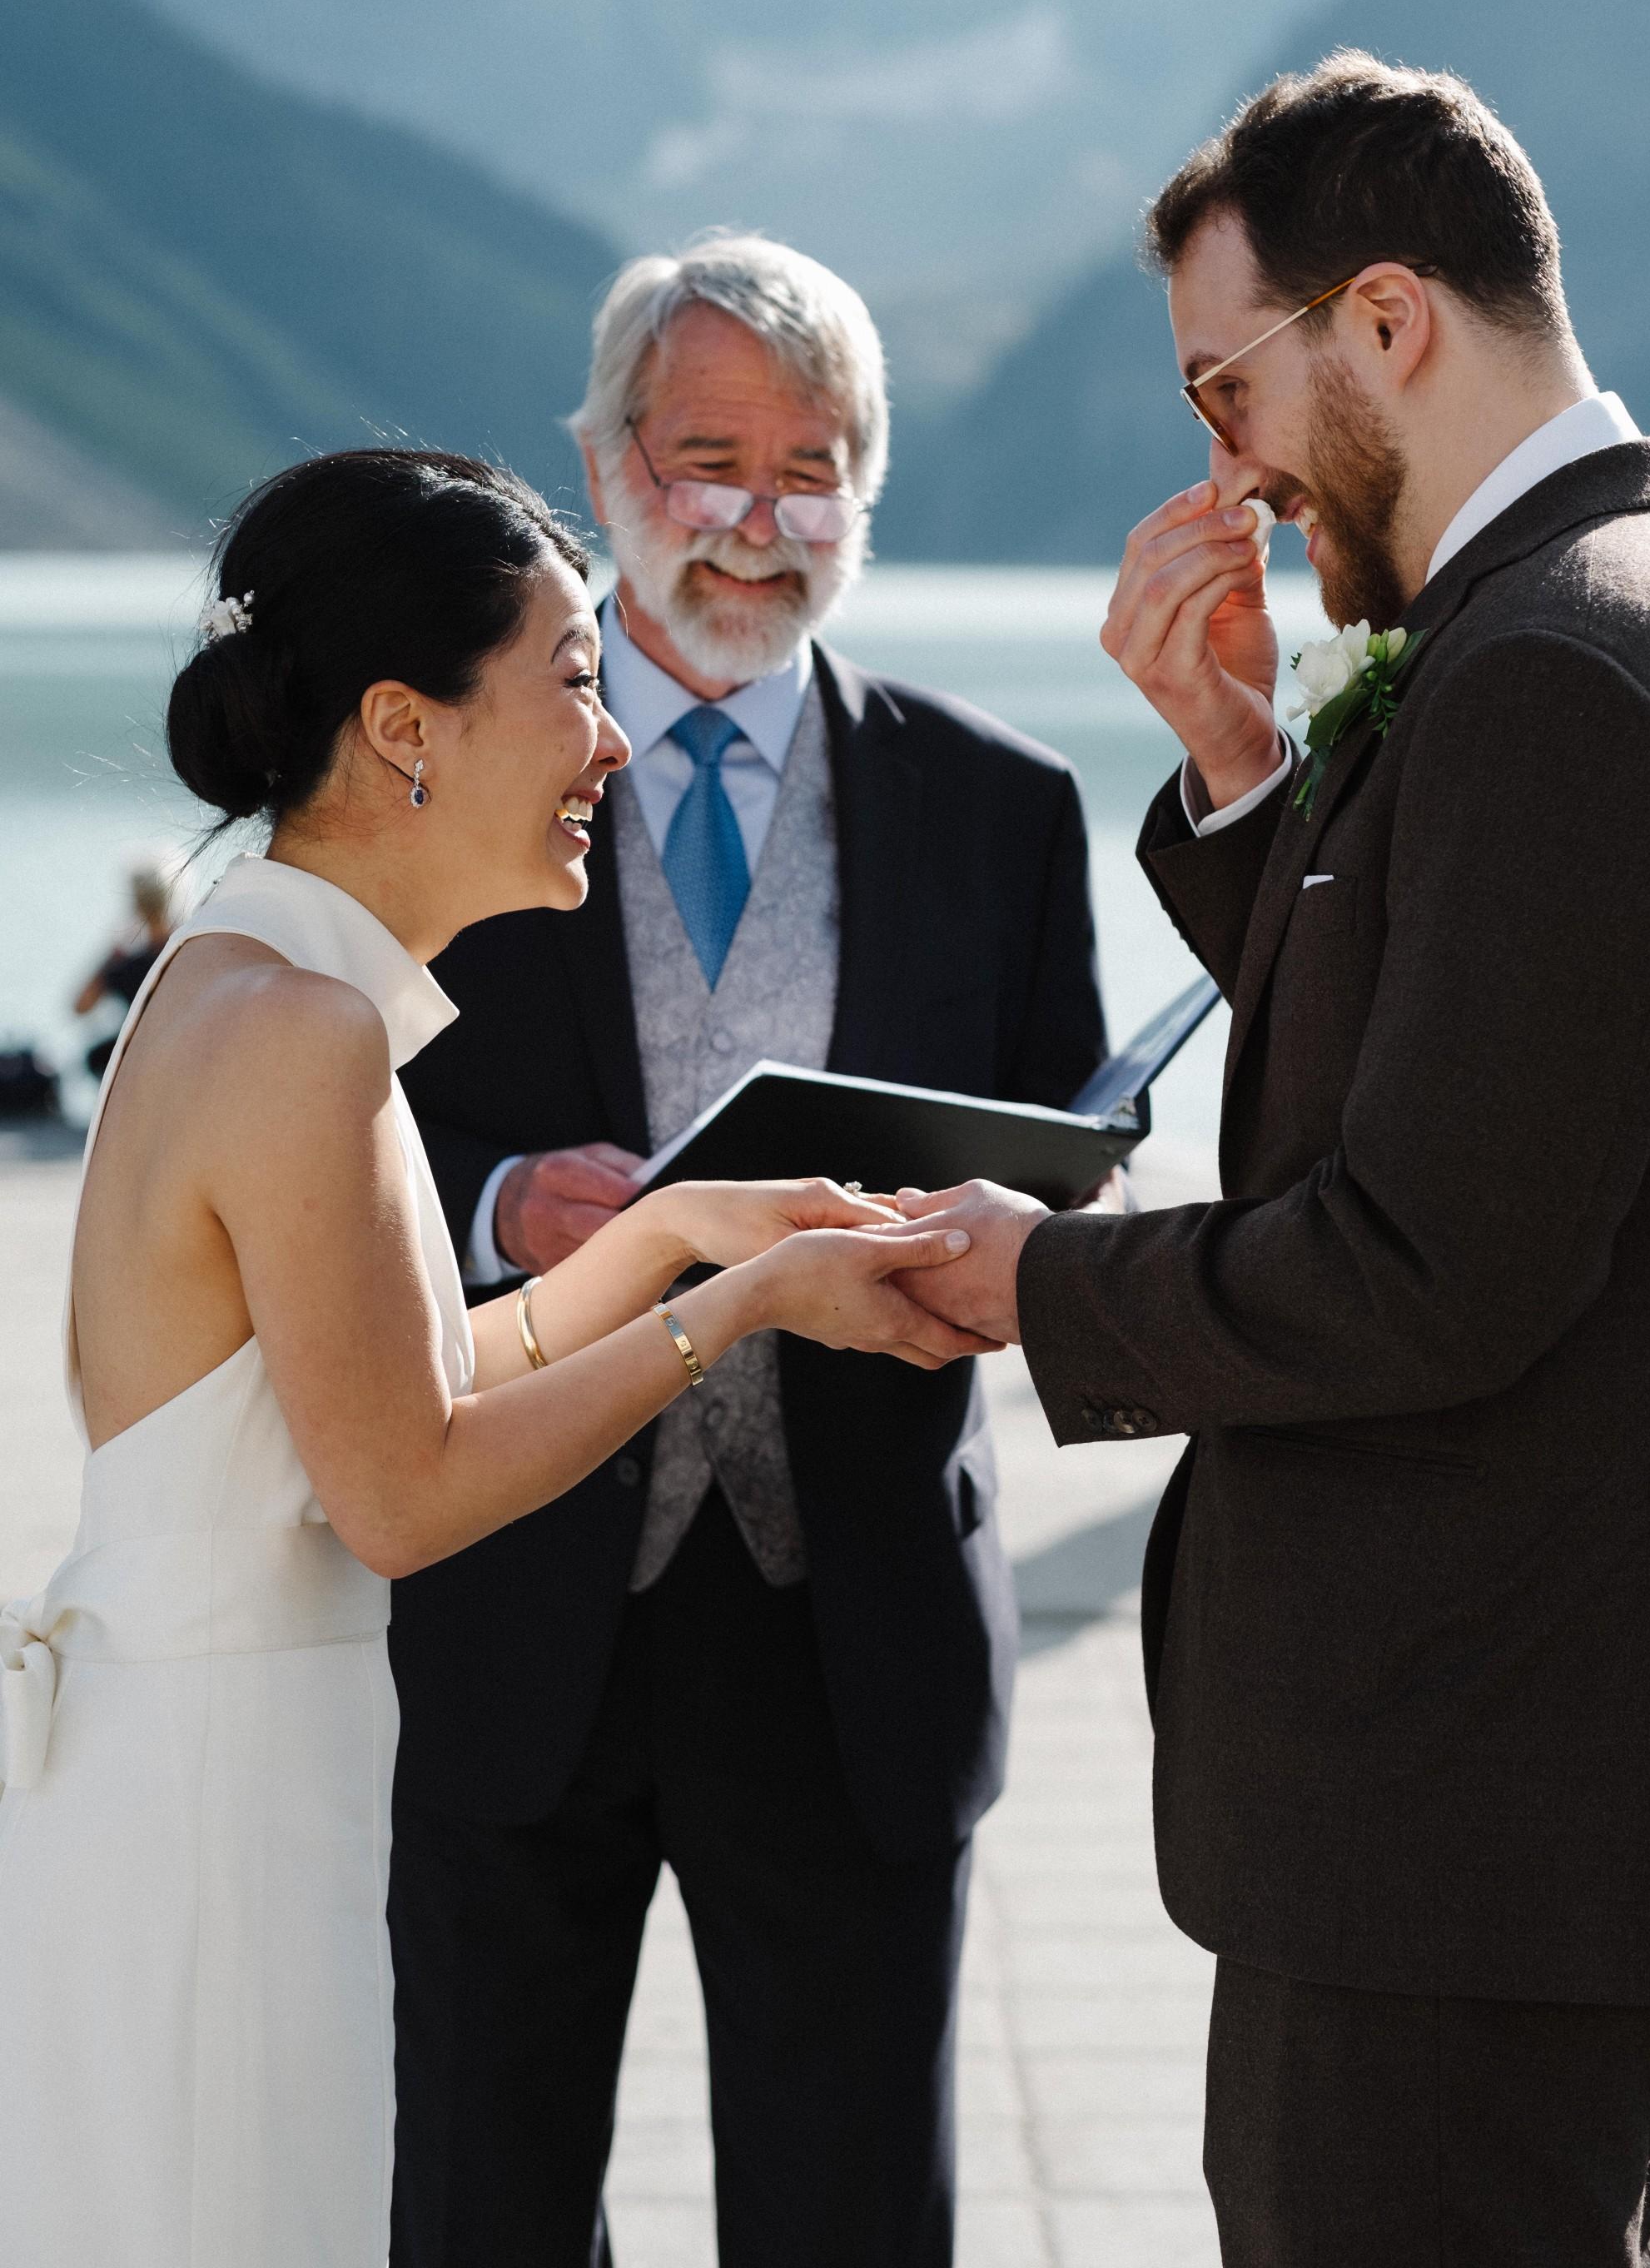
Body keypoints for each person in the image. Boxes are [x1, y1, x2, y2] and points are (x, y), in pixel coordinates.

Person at [0, 446, 986, 2268]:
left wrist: (679, 1232)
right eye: (575, 679)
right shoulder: (302, 1033)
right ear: (405, 728)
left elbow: (409, 1372)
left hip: (204, 1761)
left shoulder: (237, 972)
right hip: (229, 1813)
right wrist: (733, 1312)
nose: (611, 744)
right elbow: (404, 1487)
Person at [888, 52, 1650, 2266]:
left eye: (1226, 388)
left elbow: (1436, 1256)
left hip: (1478, 1822)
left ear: (1389, 323)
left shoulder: (1549, 671)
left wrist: (1036, 1282)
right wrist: (1244, 766)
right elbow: (1504, 1077)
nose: (1221, 467)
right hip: (1531, 1808)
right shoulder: (1587, 606)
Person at [389, 235, 1109, 2268]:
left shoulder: (1002, 801)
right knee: (481, 2202)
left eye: (813, 466)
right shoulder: (445, 769)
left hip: (852, 1612)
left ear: (863, 490)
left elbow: (1065, 1153)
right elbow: (347, 1100)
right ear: (608, 462)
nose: (759, 517)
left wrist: (996, 1243)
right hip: (523, 1594)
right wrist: (499, 1199)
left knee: (851, 2217)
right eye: (711, 457)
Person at [72, 857, 176, 1077]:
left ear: (136, 905)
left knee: (96, 1057)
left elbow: (80, 1007)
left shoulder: (128, 963)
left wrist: (113, 950)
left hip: (138, 1056)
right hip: (179, 1048)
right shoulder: (188, 947)